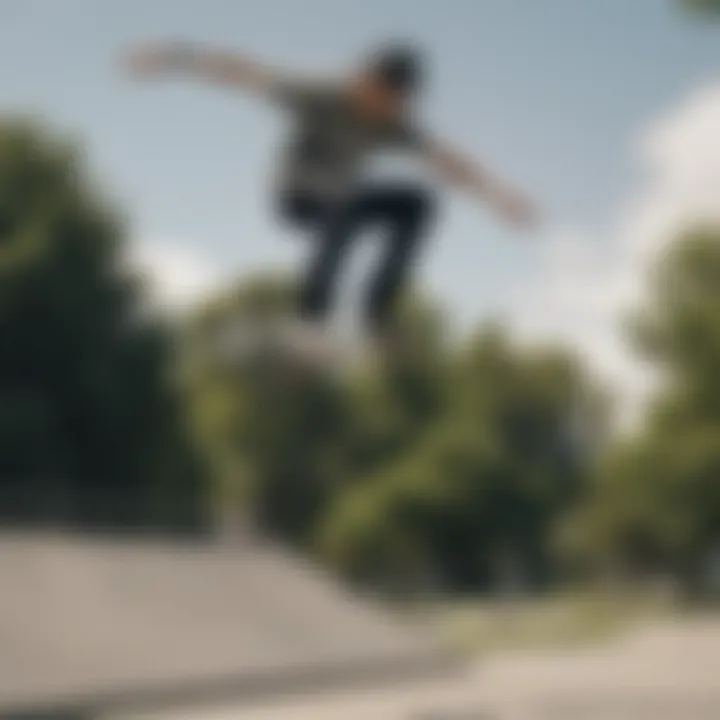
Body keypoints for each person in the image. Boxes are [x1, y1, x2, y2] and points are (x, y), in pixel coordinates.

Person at [124, 40, 538, 364]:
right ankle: (310, 320)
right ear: (363, 78)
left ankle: (376, 314)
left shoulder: (391, 124)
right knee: (345, 206)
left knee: (419, 204)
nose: (378, 110)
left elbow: (445, 161)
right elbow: (245, 74)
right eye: (375, 95)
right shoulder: (321, 94)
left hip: (342, 204)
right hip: (295, 197)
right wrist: (173, 57)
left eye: (390, 105)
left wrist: (499, 197)